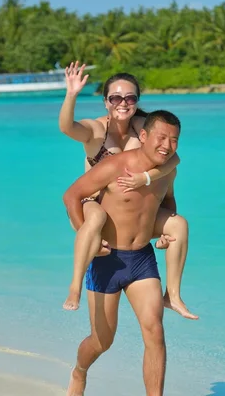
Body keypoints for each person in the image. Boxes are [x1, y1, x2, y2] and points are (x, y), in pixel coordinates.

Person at [59, 62, 197, 320]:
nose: (123, 103)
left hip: (132, 211)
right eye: (115, 98)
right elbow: (67, 128)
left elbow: (173, 157)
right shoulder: (97, 130)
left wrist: (146, 177)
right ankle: (74, 287)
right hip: (92, 201)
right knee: (96, 218)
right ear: (105, 102)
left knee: (179, 225)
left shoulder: (143, 126)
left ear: (137, 101)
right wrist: (71, 94)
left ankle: (174, 295)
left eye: (130, 97)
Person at [63, 110, 182, 396]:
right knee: (102, 341)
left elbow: (167, 203)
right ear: (143, 136)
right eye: (161, 137)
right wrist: (87, 235)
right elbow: (72, 195)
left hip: (141, 259)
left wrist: (165, 232)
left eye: (174, 140)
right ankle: (79, 372)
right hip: (107, 261)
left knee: (154, 331)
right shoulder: (115, 165)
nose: (167, 145)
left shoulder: (169, 170)